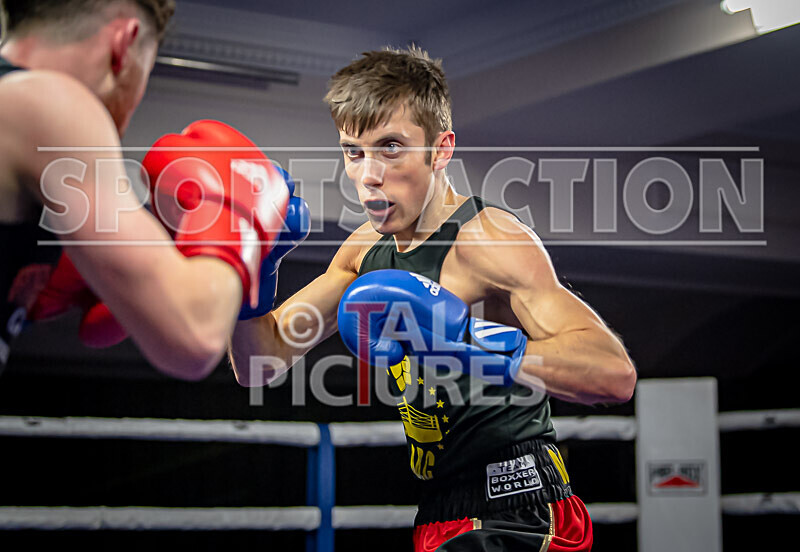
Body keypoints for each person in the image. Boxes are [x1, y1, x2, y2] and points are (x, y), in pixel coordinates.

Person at [229, 46, 637, 551]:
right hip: (440, 511)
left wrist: (464, 340)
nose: (368, 174)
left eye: (391, 147)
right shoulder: (363, 253)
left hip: (523, 505)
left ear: (441, 150)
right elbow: (260, 363)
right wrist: (250, 269)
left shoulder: (488, 240)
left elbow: (613, 373)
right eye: (354, 152)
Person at [0, 0, 292, 379]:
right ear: (125, 43)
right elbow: (195, 336)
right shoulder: (48, 101)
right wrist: (234, 206)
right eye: (146, 74)